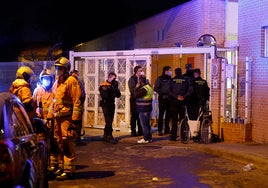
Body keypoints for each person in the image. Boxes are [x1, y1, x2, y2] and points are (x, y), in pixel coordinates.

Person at [47, 57, 83, 180]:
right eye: (57, 68)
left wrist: (75, 120)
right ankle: (62, 167)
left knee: (67, 143)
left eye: (60, 68)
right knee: (58, 142)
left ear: (66, 69)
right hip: (58, 118)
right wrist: (49, 117)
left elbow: (76, 101)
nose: (58, 70)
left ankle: (69, 170)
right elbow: (54, 101)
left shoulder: (71, 81)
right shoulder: (58, 82)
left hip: (67, 118)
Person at [32, 68, 57, 172]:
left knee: (54, 144)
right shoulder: (37, 91)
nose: (46, 81)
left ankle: (54, 164)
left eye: (48, 79)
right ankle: (42, 165)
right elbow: (33, 105)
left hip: (52, 122)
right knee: (41, 145)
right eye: (44, 79)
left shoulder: (55, 91)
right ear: (41, 79)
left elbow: (56, 106)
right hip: (40, 122)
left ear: (52, 79)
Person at [169, 68, 193, 141]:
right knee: (182, 119)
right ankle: (183, 136)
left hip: (174, 101)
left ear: (175, 73)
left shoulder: (172, 80)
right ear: (181, 72)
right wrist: (184, 96)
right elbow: (190, 90)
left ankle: (173, 136)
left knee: (174, 119)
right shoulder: (186, 80)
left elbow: (169, 91)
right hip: (183, 101)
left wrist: (176, 97)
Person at [99, 72, 121, 144]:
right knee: (108, 120)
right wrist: (112, 91)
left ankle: (105, 135)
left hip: (112, 104)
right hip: (106, 104)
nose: (115, 80)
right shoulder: (104, 85)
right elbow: (105, 96)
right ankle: (109, 136)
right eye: (114, 78)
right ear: (110, 77)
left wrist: (114, 88)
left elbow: (118, 95)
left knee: (110, 120)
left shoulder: (113, 85)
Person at [134, 75, 153, 144]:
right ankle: (149, 138)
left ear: (140, 81)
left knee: (144, 125)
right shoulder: (149, 87)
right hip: (148, 109)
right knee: (147, 124)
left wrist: (136, 87)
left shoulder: (144, 89)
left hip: (144, 109)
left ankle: (145, 138)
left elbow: (136, 95)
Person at [153, 66, 172, 136]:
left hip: (169, 99)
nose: (170, 72)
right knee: (161, 115)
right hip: (162, 99)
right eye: (170, 70)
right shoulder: (160, 79)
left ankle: (167, 129)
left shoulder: (170, 79)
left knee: (168, 115)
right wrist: (163, 92)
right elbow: (156, 88)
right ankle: (160, 130)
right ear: (166, 71)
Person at [70, 69, 87, 146]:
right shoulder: (77, 81)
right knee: (77, 123)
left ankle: (72, 139)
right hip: (77, 107)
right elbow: (82, 95)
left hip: (70, 107)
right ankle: (76, 140)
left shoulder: (67, 81)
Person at [128, 65, 143, 136]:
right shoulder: (132, 79)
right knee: (134, 115)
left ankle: (140, 130)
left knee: (140, 115)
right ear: (137, 71)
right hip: (134, 100)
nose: (142, 72)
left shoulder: (141, 78)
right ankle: (133, 131)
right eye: (141, 71)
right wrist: (136, 87)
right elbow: (132, 90)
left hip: (140, 99)